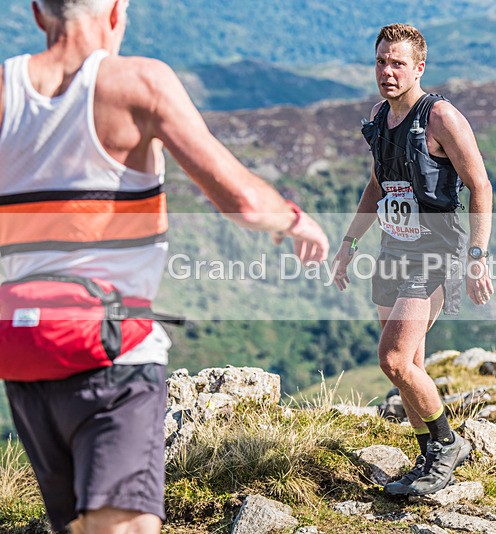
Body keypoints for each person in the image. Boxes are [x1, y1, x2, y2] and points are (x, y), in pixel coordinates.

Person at [0, 1, 329, 532]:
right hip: (113, 352)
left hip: (22, 353)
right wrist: (295, 221)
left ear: (39, 14)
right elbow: (242, 200)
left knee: (75, 527)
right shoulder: (140, 83)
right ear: (114, 11)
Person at [332, 23, 493, 496]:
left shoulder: (441, 117)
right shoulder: (380, 118)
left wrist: (478, 257)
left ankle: (447, 447)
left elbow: (480, 186)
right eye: (381, 61)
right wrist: (349, 244)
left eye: (397, 62)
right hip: (392, 251)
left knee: (394, 360)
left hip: (435, 252)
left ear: (419, 67)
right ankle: (427, 457)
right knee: (412, 365)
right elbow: (378, 184)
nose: (387, 71)